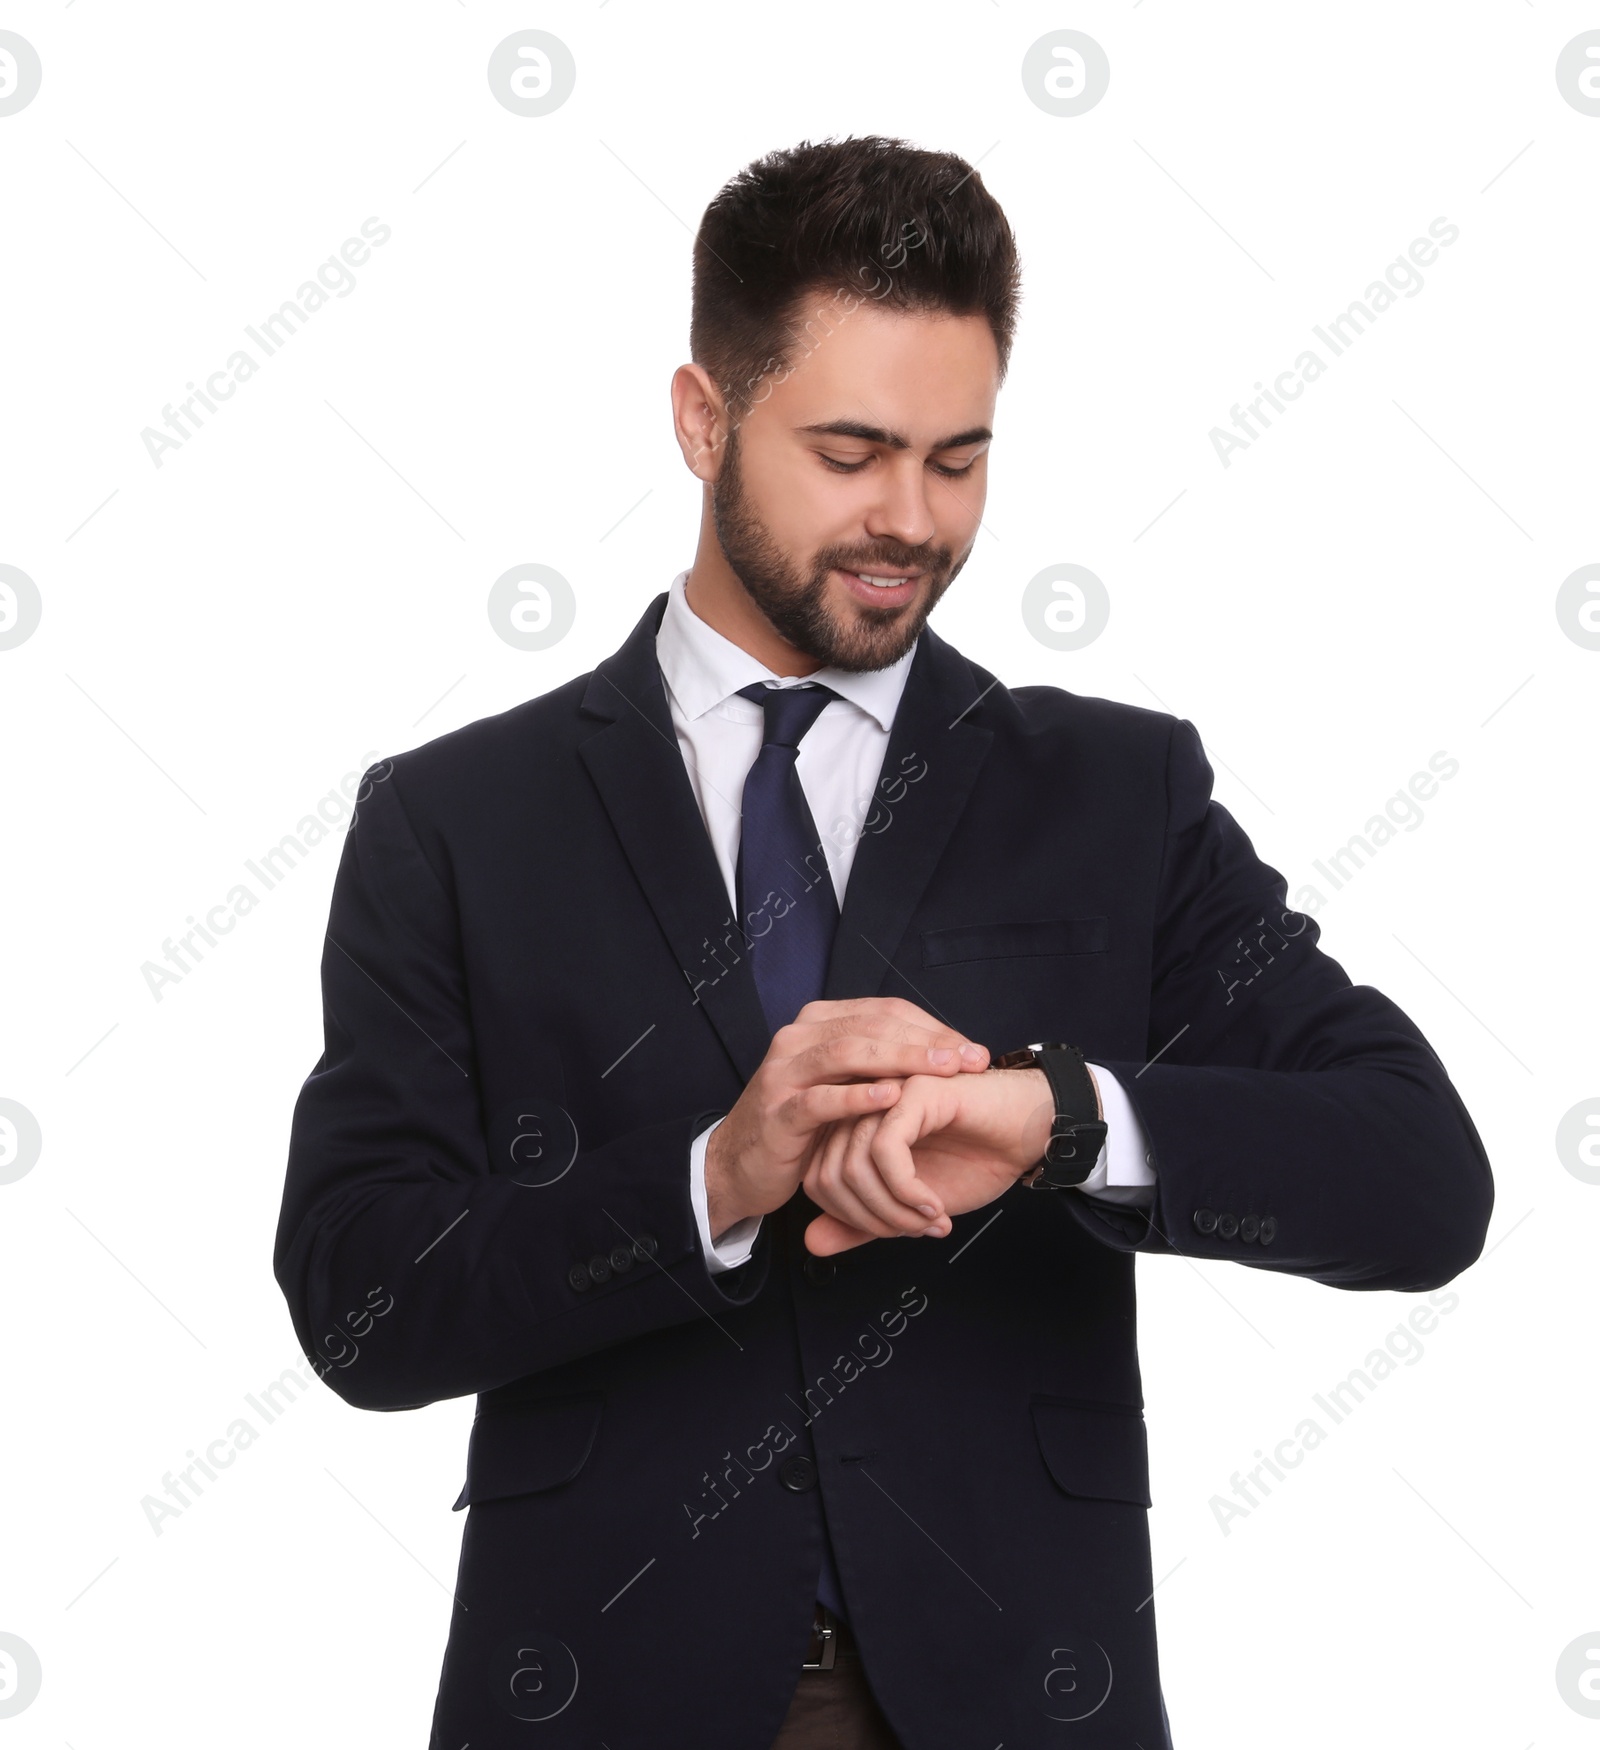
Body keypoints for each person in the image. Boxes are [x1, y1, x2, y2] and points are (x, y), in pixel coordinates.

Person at [274, 135, 1494, 1749]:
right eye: (851, 451)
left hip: (1015, 1691)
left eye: (959, 456)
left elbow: (1421, 1176)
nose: (911, 520)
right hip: (602, 1690)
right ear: (703, 417)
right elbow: (363, 1295)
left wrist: (1066, 1116)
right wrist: (713, 1174)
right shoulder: (457, 819)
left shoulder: (1117, 791)